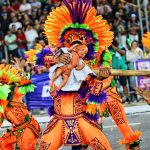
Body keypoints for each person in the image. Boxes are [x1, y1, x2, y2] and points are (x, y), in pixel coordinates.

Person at [26, 1, 141, 149]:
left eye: (82, 39)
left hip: (101, 91)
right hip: (76, 100)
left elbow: (105, 71)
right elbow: (38, 57)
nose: (77, 42)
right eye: (72, 40)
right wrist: (56, 58)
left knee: (119, 119)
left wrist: (97, 78)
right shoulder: (62, 53)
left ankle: (131, 142)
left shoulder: (101, 51)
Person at [0, 64, 42, 149]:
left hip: (27, 127)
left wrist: (21, 72)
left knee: (24, 146)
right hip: (15, 130)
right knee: (2, 143)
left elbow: (26, 86)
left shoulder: (14, 91)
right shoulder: (1, 105)